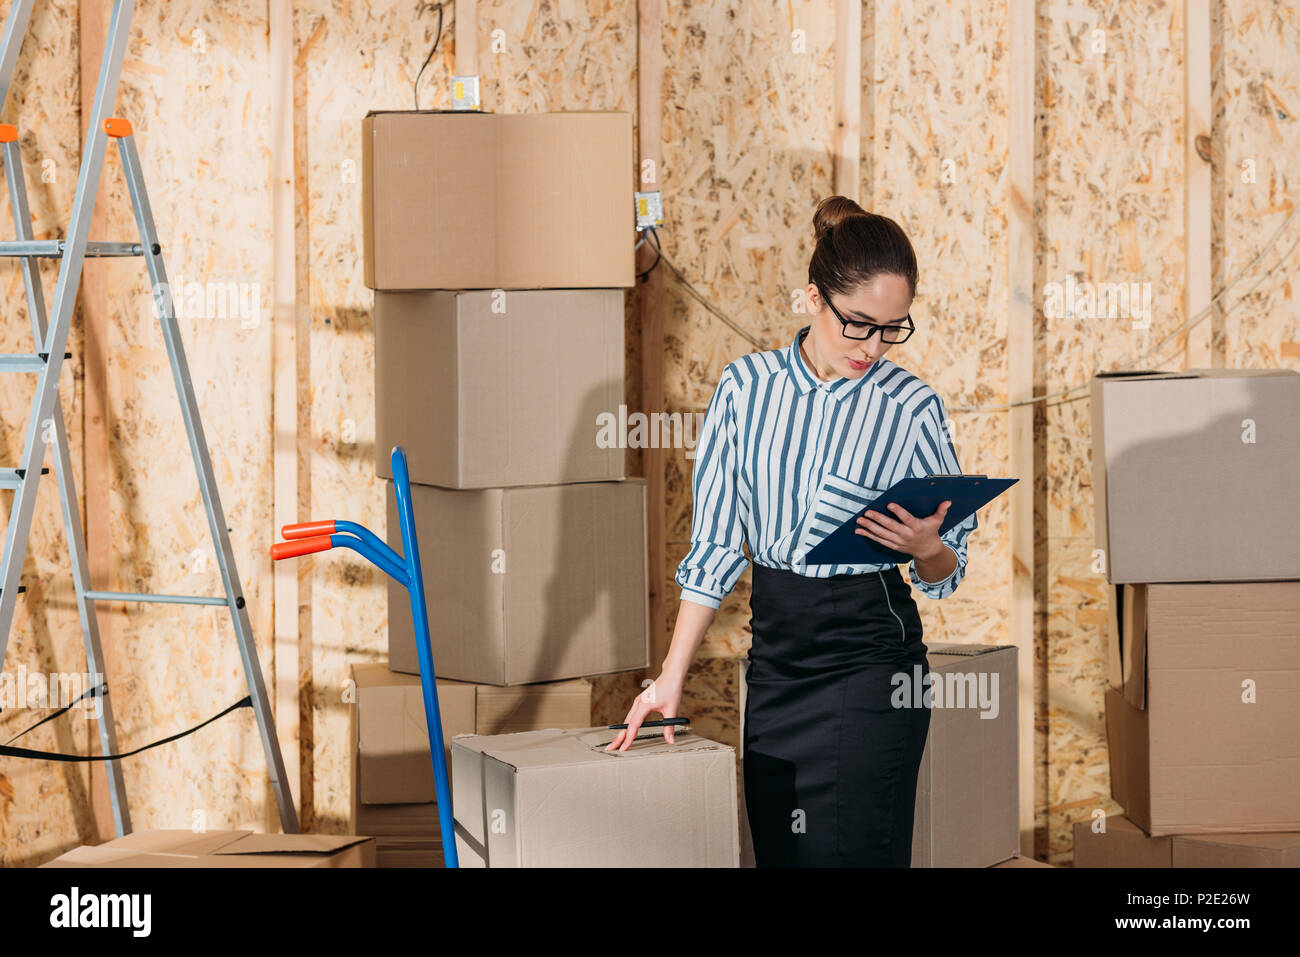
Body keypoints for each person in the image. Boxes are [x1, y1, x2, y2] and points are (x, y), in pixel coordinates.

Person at [607, 195, 979, 867]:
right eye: (858, 324)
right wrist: (670, 676)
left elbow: (947, 570)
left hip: (871, 660)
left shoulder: (910, 408)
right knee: (784, 854)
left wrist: (927, 547)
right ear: (813, 298)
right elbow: (715, 549)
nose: (873, 347)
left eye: (892, 329)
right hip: (778, 662)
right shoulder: (744, 390)